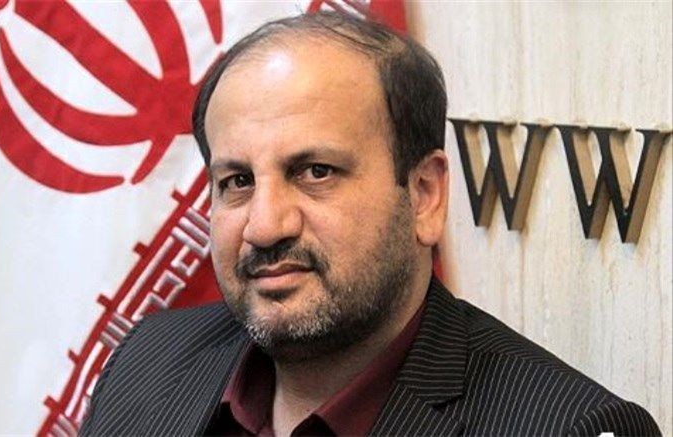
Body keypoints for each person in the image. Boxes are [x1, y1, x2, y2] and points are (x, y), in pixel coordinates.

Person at [79, 11, 660, 436]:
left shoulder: (566, 427)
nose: (265, 226)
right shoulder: (148, 359)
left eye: (316, 172)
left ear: (425, 194)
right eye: (238, 181)